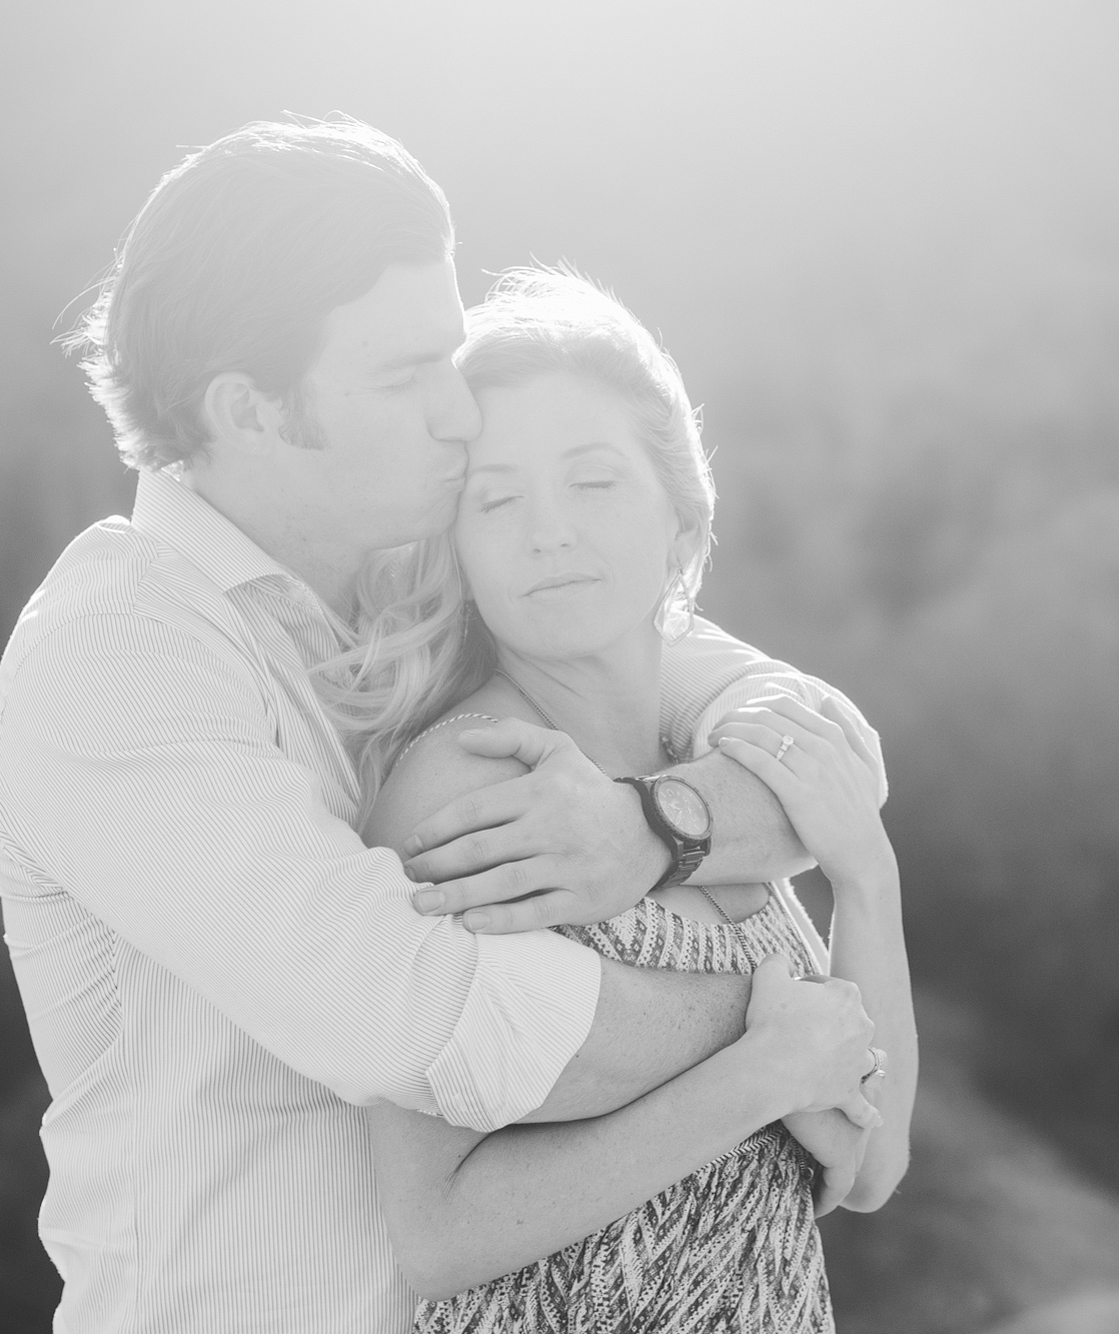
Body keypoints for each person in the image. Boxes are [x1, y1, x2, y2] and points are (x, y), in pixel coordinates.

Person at [0, 116, 885, 1334]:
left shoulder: (422, 581)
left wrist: (655, 826)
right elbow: (423, 1015)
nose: (459, 416)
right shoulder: (120, 655)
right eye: (405, 376)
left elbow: (806, 727)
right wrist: (777, 1023)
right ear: (250, 408)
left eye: (448, 358)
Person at [346, 270, 917, 1331]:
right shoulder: (472, 780)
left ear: (680, 516)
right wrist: (760, 1072)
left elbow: (873, 1159)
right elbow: (437, 1233)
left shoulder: (709, 779)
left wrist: (865, 878)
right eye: (497, 497)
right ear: (457, 546)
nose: (547, 531)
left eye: (593, 481)